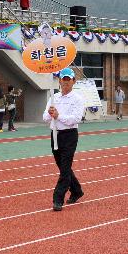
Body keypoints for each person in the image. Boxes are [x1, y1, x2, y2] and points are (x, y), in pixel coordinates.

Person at [43, 67, 85, 211]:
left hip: (69, 135)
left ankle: (57, 199)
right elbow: (44, 118)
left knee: (65, 167)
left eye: (68, 80)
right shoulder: (53, 97)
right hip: (55, 134)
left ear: (74, 81)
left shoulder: (77, 99)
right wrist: (50, 114)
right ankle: (77, 190)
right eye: (63, 80)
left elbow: (75, 119)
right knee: (62, 167)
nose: (65, 82)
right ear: (59, 81)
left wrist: (58, 116)